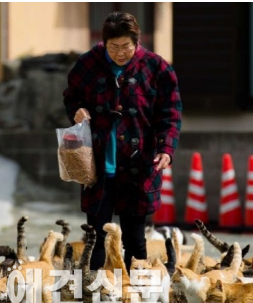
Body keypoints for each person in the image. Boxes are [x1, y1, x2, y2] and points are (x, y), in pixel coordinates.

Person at [63, 12, 182, 271]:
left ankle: (134, 302)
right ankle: (94, 301)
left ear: (136, 42)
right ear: (104, 43)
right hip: (97, 167)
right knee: (95, 237)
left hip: (139, 165)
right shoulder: (87, 64)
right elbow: (71, 97)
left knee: (135, 240)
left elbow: (170, 113)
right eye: (113, 47)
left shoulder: (157, 67)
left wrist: (166, 149)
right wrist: (77, 110)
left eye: (126, 46)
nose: (119, 53)